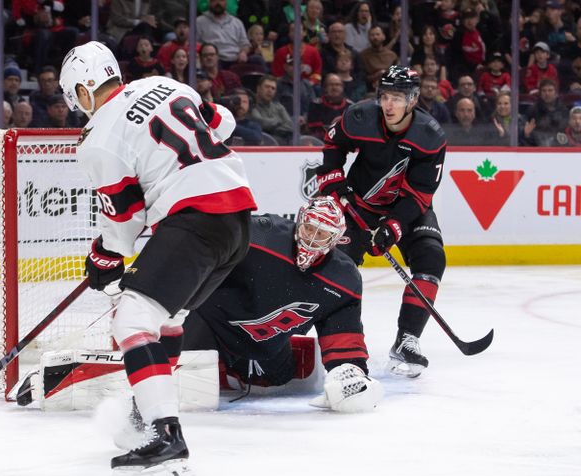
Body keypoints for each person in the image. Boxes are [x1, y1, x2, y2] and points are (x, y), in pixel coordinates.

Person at [59, 41, 256, 476]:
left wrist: (104, 255)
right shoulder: (163, 84)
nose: (79, 111)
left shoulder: (98, 139)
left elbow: (125, 219)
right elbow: (222, 122)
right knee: (167, 318)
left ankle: (167, 437)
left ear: (85, 90)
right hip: (239, 221)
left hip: (197, 220)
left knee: (131, 320)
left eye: (77, 99)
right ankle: (148, 411)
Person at [182, 196, 383, 412]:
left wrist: (350, 370)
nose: (312, 239)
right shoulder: (261, 235)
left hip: (263, 342)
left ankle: (233, 367)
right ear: (299, 220)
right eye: (309, 228)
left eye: (322, 234)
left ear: (335, 240)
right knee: (195, 398)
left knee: (278, 379)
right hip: (211, 322)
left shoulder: (343, 279)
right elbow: (200, 251)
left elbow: (343, 334)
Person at [313, 66, 446, 378]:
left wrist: (394, 225)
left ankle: (407, 340)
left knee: (431, 257)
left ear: (413, 100)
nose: (388, 104)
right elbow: (334, 144)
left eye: (397, 98)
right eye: (385, 96)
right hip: (359, 204)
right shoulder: (360, 117)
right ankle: (342, 342)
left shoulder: (429, 136)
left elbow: (420, 194)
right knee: (339, 269)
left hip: (406, 208)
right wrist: (333, 179)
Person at [196, 0, 251, 67]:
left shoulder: (237, 22)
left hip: (236, 59)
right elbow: (195, 43)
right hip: (214, 60)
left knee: (257, 60)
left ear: (226, 2)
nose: (218, 3)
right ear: (209, 2)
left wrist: (243, 52)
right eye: (214, 1)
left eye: (221, 0)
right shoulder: (199, 22)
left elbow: (245, 43)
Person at [250, 74, 293, 144]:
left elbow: (290, 126)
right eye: (267, 87)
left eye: (273, 88)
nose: (270, 90)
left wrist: (272, 128)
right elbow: (261, 123)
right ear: (258, 88)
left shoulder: (279, 107)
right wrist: (279, 121)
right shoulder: (251, 105)